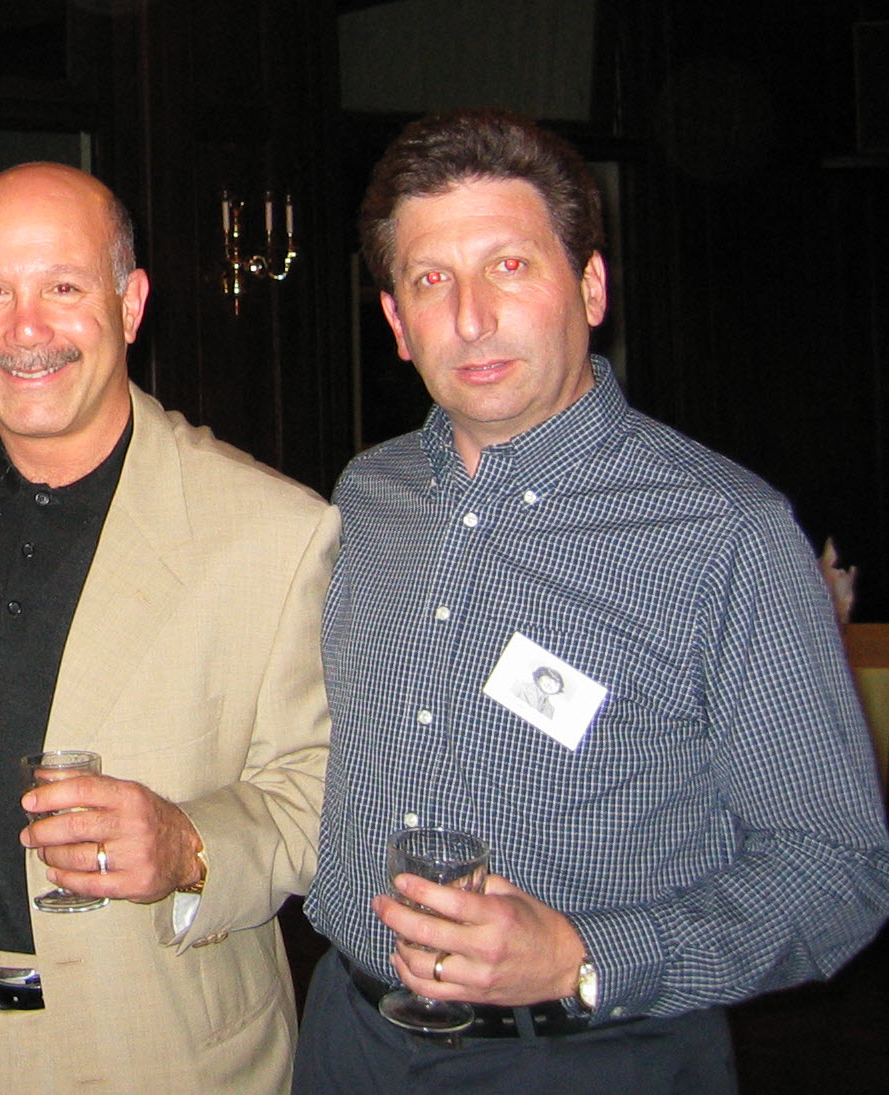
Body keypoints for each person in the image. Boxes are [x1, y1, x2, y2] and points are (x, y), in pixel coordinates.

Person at [297, 108, 889, 1093]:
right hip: (348, 1040)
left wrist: (584, 956)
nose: (471, 318)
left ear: (591, 286)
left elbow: (838, 868)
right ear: (396, 323)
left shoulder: (722, 533)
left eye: (510, 266)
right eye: (432, 280)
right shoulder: (370, 496)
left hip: (593, 1058)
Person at [0, 162, 337, 1093]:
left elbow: (318, 790)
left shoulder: (272, 530)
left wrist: (190, 844)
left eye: (64, 288)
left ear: (131, 303)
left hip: (153, 1045)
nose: (26, 329)